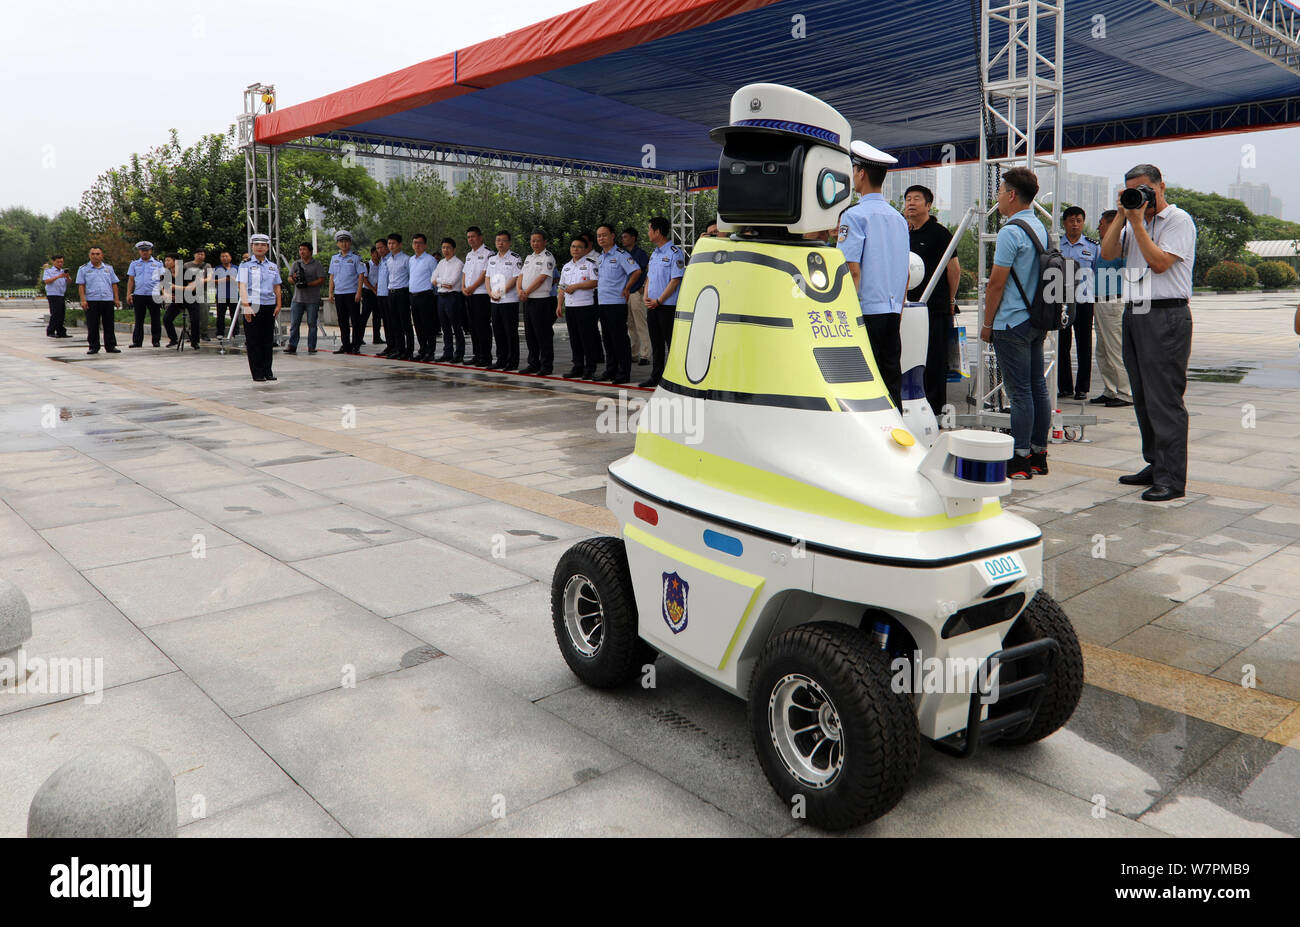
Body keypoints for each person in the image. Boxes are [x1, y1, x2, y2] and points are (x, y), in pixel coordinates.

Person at [1100, 163, 1197, 503]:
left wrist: (1138, 222)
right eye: (1133, 191)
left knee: (1164, 399)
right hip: (1135, 312)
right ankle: (1155, 464)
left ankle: (1172, 478)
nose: (1140, 197)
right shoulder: (1130, 221)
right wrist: (1122, 215)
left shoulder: (1179, 220)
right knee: (1141, 396)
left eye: (1145, 191)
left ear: (1161, 187)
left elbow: (1159, 263)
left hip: (1167, 315)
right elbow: (1107, 254)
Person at [980, 167, 1050, 480]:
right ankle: (1038, 455)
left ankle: (1019, 458)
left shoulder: (1011, 231)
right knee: (1037, 389)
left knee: (1019, 392)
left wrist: (986, 323)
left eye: (999, 192)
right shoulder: (1041, 227)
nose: (998, 199)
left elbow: (996, 283)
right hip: (1036, 319)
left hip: (1011, 322)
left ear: (1011, 195)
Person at [838, 140, 909, 407]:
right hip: (892, 312)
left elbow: (852, 270)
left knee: (865, 382)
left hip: (864, 312)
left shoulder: (854, 216)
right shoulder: (899, 219)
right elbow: (905, 272)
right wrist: (898, 310)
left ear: (861, 173)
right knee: (892, 379)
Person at [903, 184, 960, 419]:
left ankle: (935, 411)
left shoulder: (940, 233)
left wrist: (950, 299)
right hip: (907, 308)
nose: (911, 203)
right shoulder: (903, 232)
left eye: (917, 199)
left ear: (928, 205)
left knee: (934, 361)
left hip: (934, 309)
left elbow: (954, 269)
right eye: (907, 199)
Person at [1090, 210, 1132, 407]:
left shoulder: (1120, 245)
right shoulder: (1105, 246)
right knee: (1102, 350)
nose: (1099, 227)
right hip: (1100, 301)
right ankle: (1110, 389)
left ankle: (1125, 392)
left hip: (1113, 301)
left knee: (1115, 348)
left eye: (1101, 223)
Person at [1056, 206, 1097, 401]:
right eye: (1071, 220)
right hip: (1061, 301)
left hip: (1084, 301)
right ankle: (1064, 387)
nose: (1075, 224)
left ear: (1083, 222)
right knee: (1062, 345)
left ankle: (1082, 388)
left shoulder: (1092, 247)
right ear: (1064, 223)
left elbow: (1097, 272)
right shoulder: (1056, 245)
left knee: (1084, 345)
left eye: (1079, 220)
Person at [593, 223, 641, 383]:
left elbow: (636, 271)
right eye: (599, 236)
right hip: (603, 303)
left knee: (619, 339)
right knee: (607, 339)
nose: (601, 238)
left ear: (612, 236)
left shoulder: (620, 254)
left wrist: (627, 288)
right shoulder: (600, 258)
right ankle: (610, 370)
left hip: (617, 303)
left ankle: (623, 373)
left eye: (604, 235)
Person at [641, 216, 685, 388]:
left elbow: (675, 280)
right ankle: (656, 376)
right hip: (652, 306)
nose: (648, 233)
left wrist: (659, 300)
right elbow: (649, 277)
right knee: (656, 343)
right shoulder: (654, 253)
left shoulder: (675, 253)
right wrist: (646, 295)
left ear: (657, 231)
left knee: (671, 343)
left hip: (666, 306)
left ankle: (676, 377)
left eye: (650, 229)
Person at [238, 234, 282, 382]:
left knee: (267, 340)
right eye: (256, 244)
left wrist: (279, 304)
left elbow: (277, 286)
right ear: (252, 247)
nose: (259, 247)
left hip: (269, 305)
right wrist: (245, 306)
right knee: (254, 341)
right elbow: (242, 286)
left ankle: (267, 371)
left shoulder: (272, 266)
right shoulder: (245, 265)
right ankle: (257, 373)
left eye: (263, 245)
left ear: (268, 247)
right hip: (252, 305)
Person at [557, 235, 601, 378]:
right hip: (570, 307)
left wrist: (576, 286)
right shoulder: (567, 266)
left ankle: (590, 368)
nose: (575, 249)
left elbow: (595, 282)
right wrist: (559, 304)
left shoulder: (590, 264)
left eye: (579, 247)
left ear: (585, 249)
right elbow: (562, 286)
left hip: (585, 307)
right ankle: (578, 366)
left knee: (587, 339)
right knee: (574, 339)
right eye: (573, 246)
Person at [519, 230, 557, 375]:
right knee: (530, 334)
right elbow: (521, 275)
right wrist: (519, 291)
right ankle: (533, 363)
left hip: (541, 301)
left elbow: (542, 278)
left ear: (544, 242)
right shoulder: (529, 257)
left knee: (543, 335)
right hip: (528, 300)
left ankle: (546, 366)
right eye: (532, 240)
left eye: (538, 240)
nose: (535, 243)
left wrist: (526, 292)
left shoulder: (548, 257)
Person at [485, 231, 523, 371]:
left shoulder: (515, 258)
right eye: (498, 240)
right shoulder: (492, 259)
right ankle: (501, 359)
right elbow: (487, 277)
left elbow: (516, 278)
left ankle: (512, 362)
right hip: (494, 301)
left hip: (509, 300)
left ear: (509, 242)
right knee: (498, 331)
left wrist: (501, 292)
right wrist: (490, 293)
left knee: (510, 333)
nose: (500, 243)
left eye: (503, 240)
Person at [75, 247, 121, 354]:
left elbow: (114, 284)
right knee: (92, 325)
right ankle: (93, 346)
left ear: (102, 255)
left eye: (98, 254)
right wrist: (83, 300)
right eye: (93, 254)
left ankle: (110, 346)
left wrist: (116, 299)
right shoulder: (83, 269)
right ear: (89, 255)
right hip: (92, 300)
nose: (95, 256)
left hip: (107, 300)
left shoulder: (109, 268)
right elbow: (81, 285)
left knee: (109, 324)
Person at [284, 242, 325, 355]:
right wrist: (295, 279)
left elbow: (321, 279)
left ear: (310, 251)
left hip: (312, 299)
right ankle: (292, 345)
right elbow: (289, 278)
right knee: (294, 323)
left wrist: (308, 283)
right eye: (300, 249)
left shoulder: (317, 264)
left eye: (304, 249)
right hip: (297, 299)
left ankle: (311, 346)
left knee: (312, 324)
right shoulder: (296, 264)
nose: (302, 252)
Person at [329, 231, 365, 355]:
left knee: (355, 321)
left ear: (350, 242)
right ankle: (346, 345)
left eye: (346, 241)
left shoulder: (356, 258)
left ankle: (356, 345)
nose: (343, 244)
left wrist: (359, 292)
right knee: (342, 321)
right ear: (338, 243)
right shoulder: (334, 258)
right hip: (339, 294)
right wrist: (330, 292)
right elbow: (332, 276)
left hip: (352, 293)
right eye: (341, 241)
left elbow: (361, 275)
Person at [462, 226, 494, 366]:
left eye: (473, 236)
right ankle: (477, 354)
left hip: (481, 294)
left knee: (482, 326)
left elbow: (484, 274)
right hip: (469, 295)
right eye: (468, 237)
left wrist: (472, 287)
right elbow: (464, 273)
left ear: (480, 237)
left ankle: (485, 356)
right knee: (473, 326)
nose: (471, 239)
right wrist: (463, 288)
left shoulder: (488, 253)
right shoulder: (469, 255)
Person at [126, 241, 164, 347]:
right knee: (139, 319)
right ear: (139, 251)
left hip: (154, 294)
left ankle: (156, 340)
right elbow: (131, 280)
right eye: (142, 251)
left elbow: (163, 280)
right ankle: (137, 342)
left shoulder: (158, 263)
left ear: (151, 251)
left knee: (155, 319)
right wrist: (129, 294)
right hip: (139, 294)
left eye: (146, 250)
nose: (145, 253)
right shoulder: (134, 264)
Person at [434, 237, 465, 363]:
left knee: (456, 326)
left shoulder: (459, 264)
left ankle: (459, 353)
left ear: (454, 249)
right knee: (445, 327)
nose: (445, 250)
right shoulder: (441, 263)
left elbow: (451, 283)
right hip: (441, 297)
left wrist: (440, 281)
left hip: (453, 297)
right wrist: (442, 283)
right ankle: (447, 352)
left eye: (448, 247)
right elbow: (433, 279)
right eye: (443, 247)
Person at [622, 227, 650, 366]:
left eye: (626, 237)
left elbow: (647, 271)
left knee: (640, 323)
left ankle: (645, 354)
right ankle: (633, 353)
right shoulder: (622, 254)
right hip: (625, 292)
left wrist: (643, 287)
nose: (623, 239)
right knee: (630, 324)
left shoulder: (640, 253)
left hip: (636, 292)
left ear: (633, 238)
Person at [408, 233, 438, 361]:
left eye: (419, 243)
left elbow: (435, 278)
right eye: (415, 243)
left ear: (425, 245)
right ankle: (422, 349)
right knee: (418, 325)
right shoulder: (411, 260)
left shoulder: (430, 260)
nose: (417, 245)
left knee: (428, 325)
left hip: (425, 295)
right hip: (413, 296)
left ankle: (430, 352)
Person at [161, 252, 201, 350]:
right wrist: (168, 295)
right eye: (165, 260)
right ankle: (173, 339)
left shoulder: (186, 272)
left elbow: (193, 288)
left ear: (175, 262)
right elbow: (164, 288)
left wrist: (176, 287)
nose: (166, 263)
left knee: (195, 320)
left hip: (190, 298)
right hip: (177, 299)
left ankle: (195, 341)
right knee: (167, 319)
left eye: (168, 260)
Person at [384, 233, 413, 361]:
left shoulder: (407, 259)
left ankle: (409, 350)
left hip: (402, 292)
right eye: (389, 243)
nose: (391, 246)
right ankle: (399, 349)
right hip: (391, 293)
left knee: (405, 323)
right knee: (395, 323)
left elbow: (411, 276)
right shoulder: (388, 260)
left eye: (393, 243)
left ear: (400, 244)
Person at [361, 240, 387, 352]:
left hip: (378, 293)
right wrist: (373, 289)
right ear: (372, 254)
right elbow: (364, 280)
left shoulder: (382, 264)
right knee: (365, 316)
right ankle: (359, 338)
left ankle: (377, 337)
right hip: (368, 293)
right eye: (376, 253)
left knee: (377, 316)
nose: (378, 255)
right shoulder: (367, 265)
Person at [183, 249, 213, 342]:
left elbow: (209, 277)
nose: (200, 256)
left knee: (204, 313)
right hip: (189, 292)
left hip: (202, 291)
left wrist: (201, 281)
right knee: (190, 314)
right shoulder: (186, 265)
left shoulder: (207, 265)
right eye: (199, 254)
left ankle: (204, 333)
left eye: (202, 254)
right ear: (194, 255)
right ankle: (192, 334)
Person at [42, 256, 72, 337]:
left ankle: (61, 331)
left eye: (62, 262)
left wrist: (67, 276)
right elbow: (47, 281)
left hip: (61, 294)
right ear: (53, 262)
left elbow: (69, 282)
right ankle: (50, 331)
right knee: (55, 313)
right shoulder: (48, 271)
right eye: (58, 262)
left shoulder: (63, 271)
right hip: (53, 294)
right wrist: (58, 276)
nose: (60, 264)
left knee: (62, 313)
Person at [213, 251, 240, 338]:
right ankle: (220, 333)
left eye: (226, 256)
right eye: (222, 256)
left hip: (234, 294)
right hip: (221, 295)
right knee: (220, 315)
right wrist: (222, 280)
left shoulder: (236, 268)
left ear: (230, 258)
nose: (224, 258)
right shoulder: (217, 268)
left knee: (234, 315)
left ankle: (236, 333)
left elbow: (242, 281)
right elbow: (211, 281)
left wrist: (233, 279)